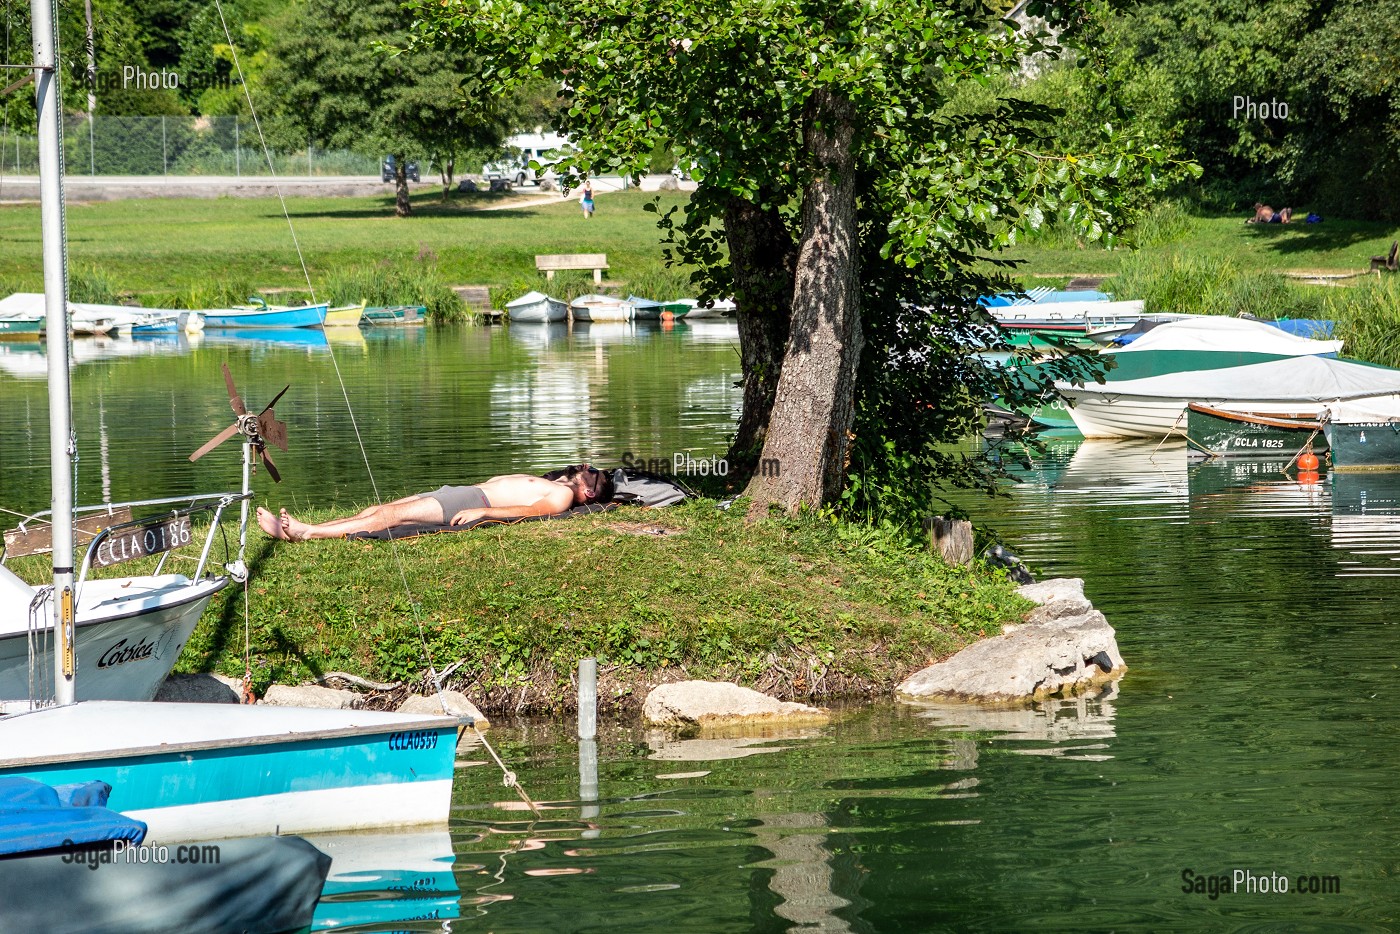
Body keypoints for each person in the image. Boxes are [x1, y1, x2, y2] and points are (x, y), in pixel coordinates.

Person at [257, 465, 614, 541]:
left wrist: (485, 511)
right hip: (461, 489)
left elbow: (531, 512)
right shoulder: (558, 482)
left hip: (475, 499)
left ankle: (307, 533)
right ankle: (308, 528)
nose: (581, 471)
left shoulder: (564, 495)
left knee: (391, 517)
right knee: (376, 511)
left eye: (588, 475)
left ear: (590, 492)